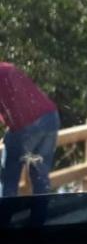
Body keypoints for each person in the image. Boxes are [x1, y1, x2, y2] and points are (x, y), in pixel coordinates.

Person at [0, 63, 60, 197]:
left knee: (9, 179)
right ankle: (39, 217)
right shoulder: (8, 68)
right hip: (50, 117)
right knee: (41, 178)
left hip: (27, 125)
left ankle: (5, 216)